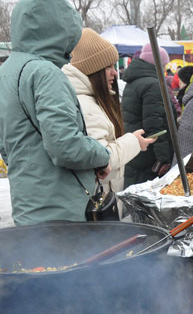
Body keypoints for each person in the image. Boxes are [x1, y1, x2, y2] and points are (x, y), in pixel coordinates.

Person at [0, 0, 111, 225]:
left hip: (28, 208)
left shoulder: (4, 74)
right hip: (63, 211)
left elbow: (6, 148)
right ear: (60, 29)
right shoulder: (45, 73)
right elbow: (65, 146)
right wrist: (101, 156)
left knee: (38, 263)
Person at [62, 29, 154, 207]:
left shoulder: (89, 99)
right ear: (93, 70)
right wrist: (134, 142)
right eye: (108, 67)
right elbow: (101, 158)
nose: (114, 73)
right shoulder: (86, 106)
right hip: (100, 201)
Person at [121, 43, 175, 187]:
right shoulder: (153, 85)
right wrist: (164, 159)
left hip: (135, 152)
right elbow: (156, 126)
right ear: (157, 64)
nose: (165, 69)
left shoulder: (133, 82)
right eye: (164, 65)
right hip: (149, 158)